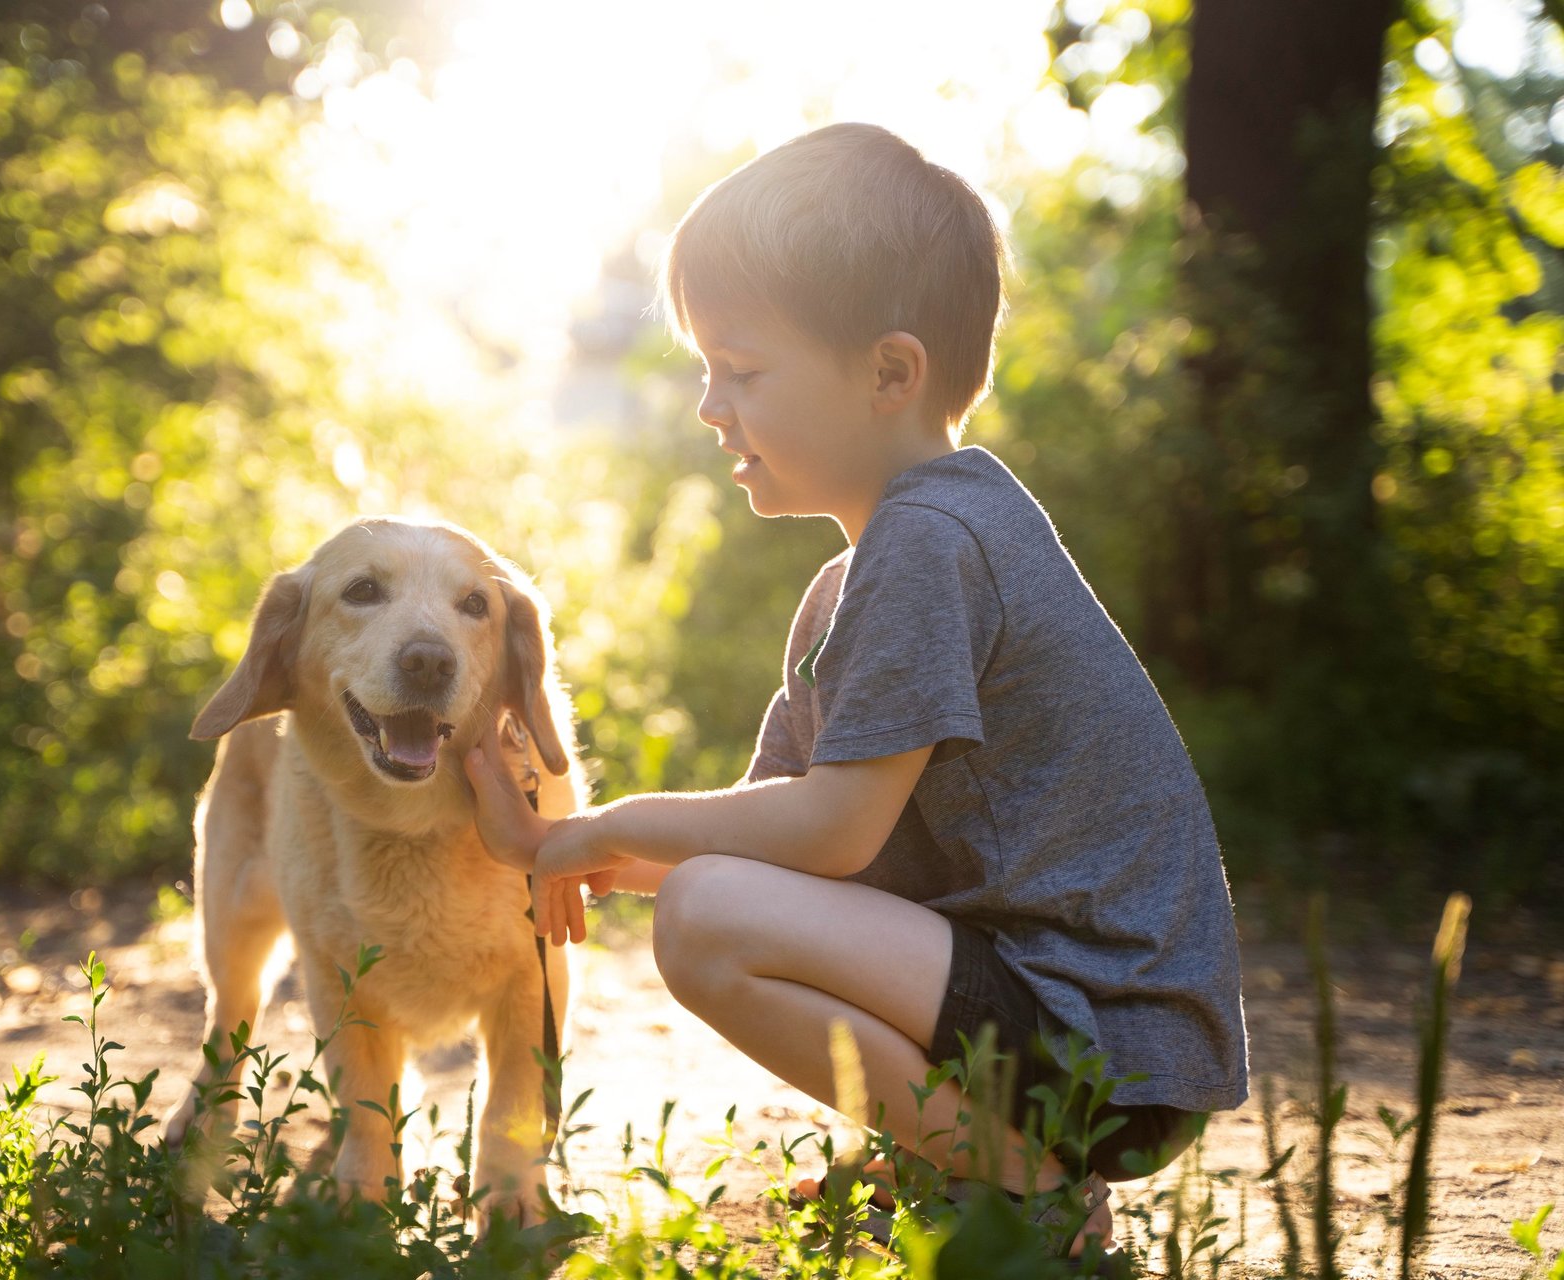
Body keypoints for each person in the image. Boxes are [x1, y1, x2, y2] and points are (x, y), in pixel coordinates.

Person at [464, 121, 1248, 1260]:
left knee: (705, 918)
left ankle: (1018, 1178)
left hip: (1104, 1039)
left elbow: (828, 834)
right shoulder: (858, 580)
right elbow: (767, 859)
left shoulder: (933, 539)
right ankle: (982, 1152)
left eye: (742, 369)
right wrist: (551, 843)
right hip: (1058, 1020)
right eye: (704, 371)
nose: (707, 406)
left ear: (889, 373)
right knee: (711, 901)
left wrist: (605, 825)